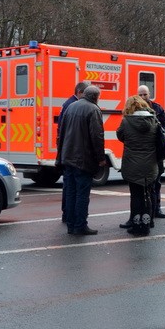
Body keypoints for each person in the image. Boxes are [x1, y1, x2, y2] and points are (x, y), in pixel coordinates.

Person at [55, 85, 105, 236]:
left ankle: (70, 225)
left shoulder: (70, 107)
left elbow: (61, 133)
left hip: (68, 157)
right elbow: (97, 137)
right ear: (96, 97)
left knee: (70, 192)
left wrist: (60, 155)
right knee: (82, 194)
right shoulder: (93, 110)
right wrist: (101, 158)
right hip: (83, 159)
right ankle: (80, 225)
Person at [116, 95, 160, 236]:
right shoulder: (154, 120)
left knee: (136, 196)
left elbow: (120, 136)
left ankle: (136, 226)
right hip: (150, 164)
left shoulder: (126, 122)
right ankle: (147, 224)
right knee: (148, 193)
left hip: (132, 164)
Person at [58, 81, 90, 223]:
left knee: (69, 187)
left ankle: (67, 215)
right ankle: (71, 216)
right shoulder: (72, 105)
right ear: (80, 93)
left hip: (67, 152)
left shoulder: (68, 104)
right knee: (73, 189)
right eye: (86, 93)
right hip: (74, 153)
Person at [137, 85, 165, 219]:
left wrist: (162, 134)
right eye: (141, 95)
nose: (144, 97)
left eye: (145, 94)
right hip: (143, 152)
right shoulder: (135, 109)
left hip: (156, 151)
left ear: (149, 94)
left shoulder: (157, 108)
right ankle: (144, 211)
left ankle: (157, 208)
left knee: (157, 181)